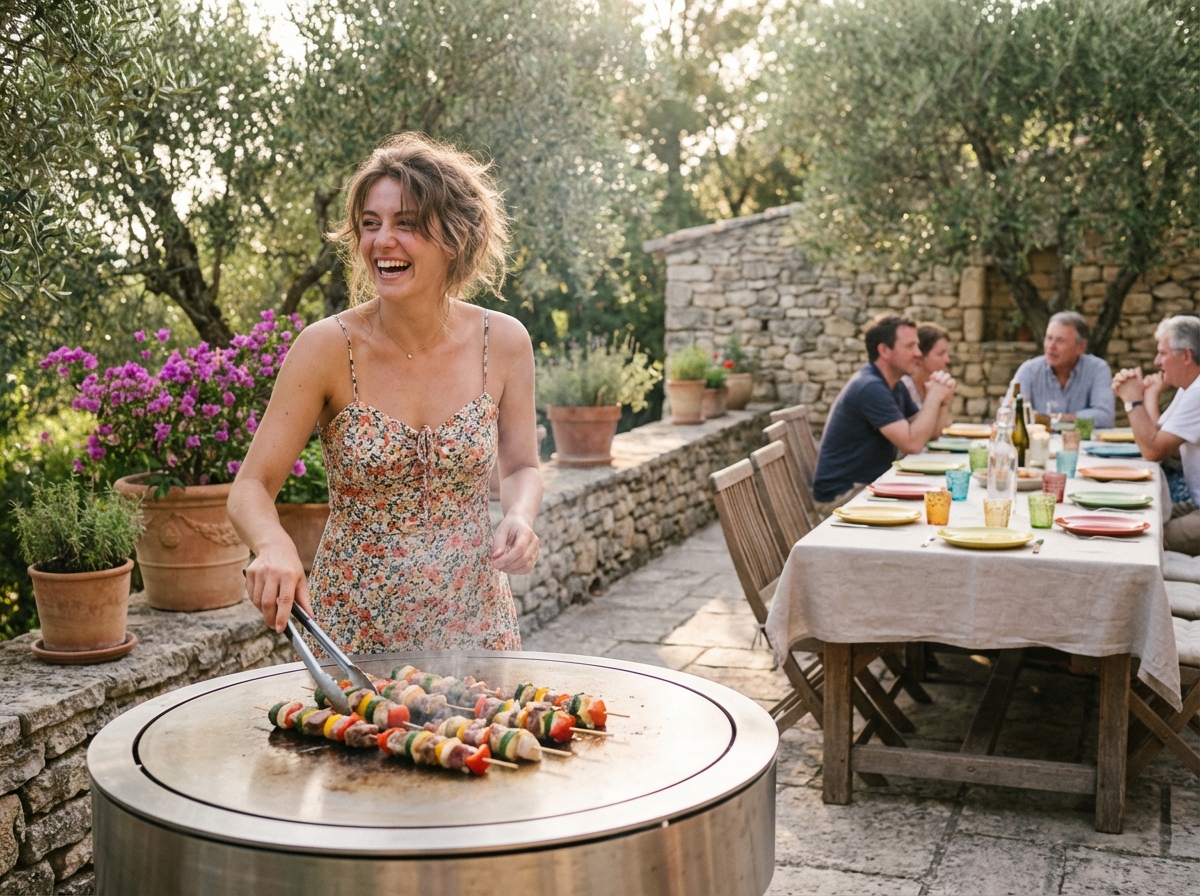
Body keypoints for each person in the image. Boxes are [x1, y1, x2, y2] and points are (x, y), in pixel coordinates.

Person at [228, 133, 542, 651]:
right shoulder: (326, 347)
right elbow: (250, 487)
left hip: (477, 626)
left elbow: (521, 466)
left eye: (407, 224)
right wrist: (273, 544)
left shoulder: (504, 342)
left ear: (455, 238)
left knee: (494, 735)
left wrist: (519, 516)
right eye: (370, 224)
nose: (381, 241)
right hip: (353, 631)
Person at [812, 314, 956, 509]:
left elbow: (930, 435)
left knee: (942, 495)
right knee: (936, 502)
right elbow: (912, 445)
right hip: (843, 496)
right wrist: (933, 398)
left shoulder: (893, 385)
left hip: (870, 486)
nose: (918, 353)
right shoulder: (871, 387)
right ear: (884, 350)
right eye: (910, 346)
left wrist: (943, 402)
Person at [1112, 315, 1200, 555]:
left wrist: (1132, 400)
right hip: (1196, 504)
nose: (1156, 361)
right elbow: (1155, 435)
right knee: (1133, 517)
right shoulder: (1190, 388)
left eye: (1163, 353)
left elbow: (1152, 450)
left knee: (1142, 538)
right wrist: (1148, 395)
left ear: (1186, 356)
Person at [1010, 311, 1115, 428]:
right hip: (1040, 443)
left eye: (1060, 341)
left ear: (1081, 347)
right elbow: (1009, 414)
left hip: (1085, 444)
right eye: (1049, 338)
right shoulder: (1029, 370)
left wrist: (1056, 419)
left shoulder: (1097, 369)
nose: (1051, 346)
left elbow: (1105, 417)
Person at [901, 322, 952, 408]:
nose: (947, 360)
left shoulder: (935, 386)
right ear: (920, 356)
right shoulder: (903, 388)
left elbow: (944, 422)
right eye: (940, 354)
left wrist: (944, 402)